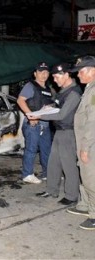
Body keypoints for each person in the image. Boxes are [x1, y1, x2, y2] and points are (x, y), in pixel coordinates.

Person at [28, 63, 82, 205]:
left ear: (66, 75)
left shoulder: (74, 93)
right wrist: (49, 106)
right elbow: (57, 105)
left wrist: (39, 116)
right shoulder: (63, 90)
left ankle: (71, 196)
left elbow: (62, 114)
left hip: (69, 133)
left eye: (56, 77)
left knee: (69, 165)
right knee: (53, 163)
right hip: (59, 132)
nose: (54, 80)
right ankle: (52, 190)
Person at [66, 56, 95, 230]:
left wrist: (85, 148)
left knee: (92, 179)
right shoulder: (89, 88)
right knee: (86, 176)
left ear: (93, 71)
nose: (79, 76)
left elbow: (93, 122)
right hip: (85, 141)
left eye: (82, 72)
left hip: (90, 144)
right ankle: (85, 206)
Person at [17, 62, 53, 184]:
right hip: (33, 124)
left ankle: (47, 173)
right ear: (35, 73)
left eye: (46, 72)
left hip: (45, 124)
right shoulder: (30, 86)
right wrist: (31, 117)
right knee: (31, 150)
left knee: (46, 150)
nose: (44, 74)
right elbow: (20, 101)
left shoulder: (47, 89)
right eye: (41, 72)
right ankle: (27, 174)